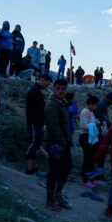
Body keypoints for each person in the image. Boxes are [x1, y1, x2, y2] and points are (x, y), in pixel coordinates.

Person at [44, 78, 72, 211]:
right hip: (55, 144)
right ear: (53, 88)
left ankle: (58, 194)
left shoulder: (62, 102)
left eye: (63, 89)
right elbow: (54, 126)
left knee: (66, 168)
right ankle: (50, 201)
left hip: (64, 143)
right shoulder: (52, 105)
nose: (61, 91)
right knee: (54, 172)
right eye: (58, 88)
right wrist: (61, 143)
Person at [25, 74, 52, 174]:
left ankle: (32, 166)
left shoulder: (37, 91)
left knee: (36, 143)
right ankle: (29, 167)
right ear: (43, 81)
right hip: (34, 122)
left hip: (37, 122)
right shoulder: (34, 91)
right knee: (33, 143)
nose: (47, 86)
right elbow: (35, 109)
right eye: (47, 84)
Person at [79, 95, 104, 186]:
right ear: (90, 104)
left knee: (92, 158)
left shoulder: (91, 112)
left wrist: (95, 123)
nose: (96, 107)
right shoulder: (85, 112)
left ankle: (91, 179)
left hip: (91, 137)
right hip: (85, 137)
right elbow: (82, 126)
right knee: (87, 158)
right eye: (95, 105)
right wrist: (92, 126)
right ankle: (85, 180)